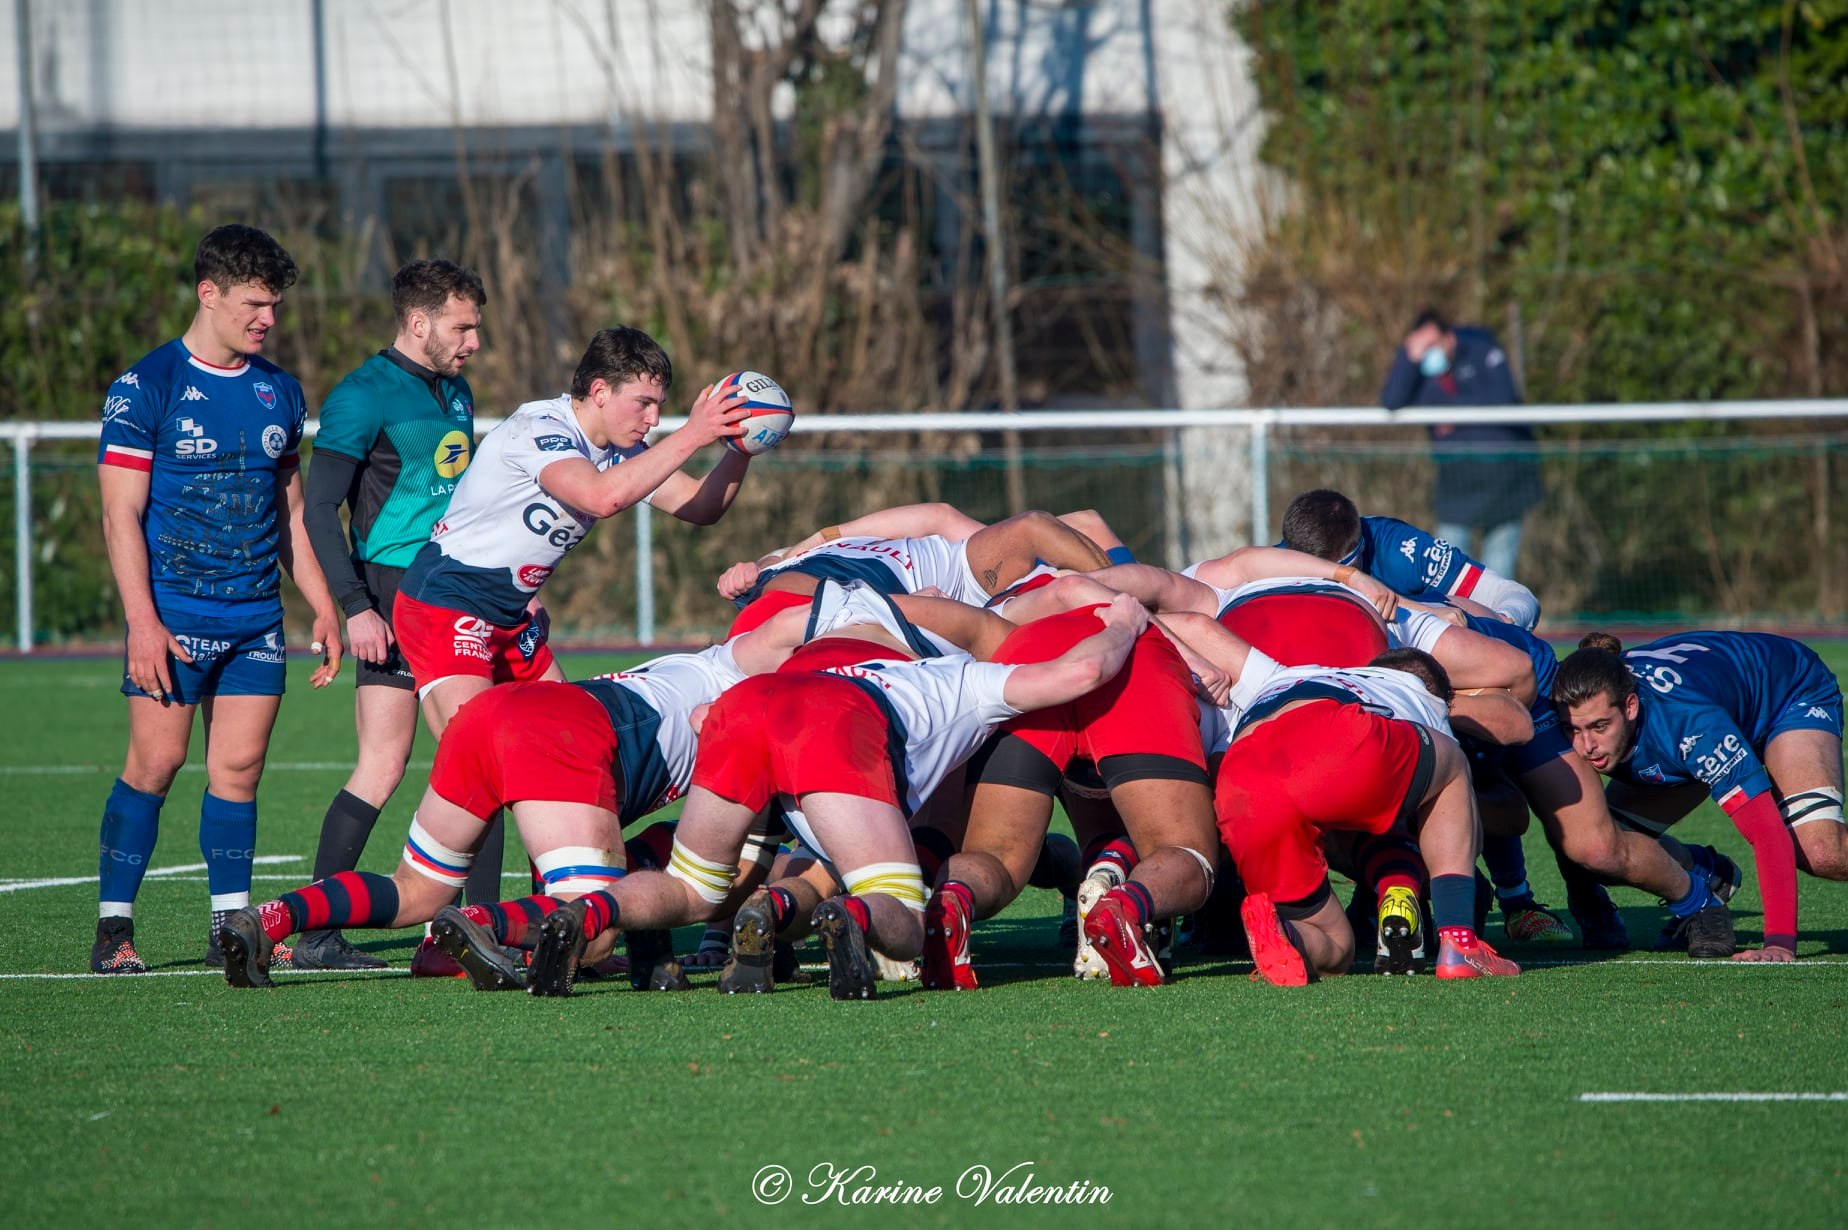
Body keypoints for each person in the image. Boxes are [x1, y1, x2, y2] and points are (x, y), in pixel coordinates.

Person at [525, 592, 1151, 1000]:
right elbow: (1080, 673)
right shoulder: (949, 674)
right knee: (904, 918)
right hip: (835, 724)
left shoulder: (799, 661)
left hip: (743, 711)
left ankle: (590, 912)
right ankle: (851, 915)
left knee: (694, 890)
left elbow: (702, 719)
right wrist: (1123, 623)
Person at [91, 223, 342, 974]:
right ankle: (114, 930)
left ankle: (228, 926)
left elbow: (291, 514)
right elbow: (119, 515)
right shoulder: (147, 386)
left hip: (255, 618)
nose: (268, 319)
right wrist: (142, 620)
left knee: (239, 772)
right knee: (157, 763)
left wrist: (323, 605)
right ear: (209, 294)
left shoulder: (280, 391)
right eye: (255, 304)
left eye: (275, 306)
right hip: (173, 615)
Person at [392, 325, 752, 735]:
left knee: (567, 743)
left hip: (511, 615)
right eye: (643, 403)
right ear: (600, 392)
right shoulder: (540, 426)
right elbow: (601, 497)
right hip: (447, 602)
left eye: (658, 405)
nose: (653, 419)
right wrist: (693, 433)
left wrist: (741, 447)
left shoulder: (621, 450)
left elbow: (701, 506)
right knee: (475, 753)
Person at [294, 258, 487, 971]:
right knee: (466, 751)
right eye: (461, 326)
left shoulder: (457, 391)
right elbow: (319, 509)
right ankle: (477, 930)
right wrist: (355, 608)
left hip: (454, 591)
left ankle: (329, 933)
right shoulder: (362, 395)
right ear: (418, 321)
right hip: (395, 594)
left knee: (396, 762)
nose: (472, 340)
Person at [1555, 632, 1845, 962]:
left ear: (1630, 706)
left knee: (1820, 851)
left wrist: (1779, 943)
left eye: (1600, 726)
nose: (1585, 746)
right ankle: (1708, 873)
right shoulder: (1566, 697)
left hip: (1788, 694)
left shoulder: (1689, 724)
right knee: (1595, 848)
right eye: (1573, 730)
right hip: (1704, 716)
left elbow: (1765, 829)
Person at [1380, 309, 1542, 580]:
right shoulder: (1416, 369)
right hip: (1455, 484)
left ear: (1450, 338)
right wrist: (1409, 358)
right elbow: (1391, 400)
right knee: (1448, 575)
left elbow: (1503, 398)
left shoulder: (1482, 350)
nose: (1430, 352)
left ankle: (1497, 623)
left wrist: (1453, 417)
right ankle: (1462, 623)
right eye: (1423, 347)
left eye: (1433, 344)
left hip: (1505, 480)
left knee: (1498, 577)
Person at [1279, 488, 1540, 628]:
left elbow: (1514, 595)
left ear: (1359, 547)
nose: (1336, 582)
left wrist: (1505, 624)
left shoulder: (1402, 551)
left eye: (1342, 571)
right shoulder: (1273, 563)